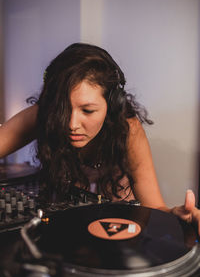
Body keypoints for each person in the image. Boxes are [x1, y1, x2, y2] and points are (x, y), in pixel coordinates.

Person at [0, 43, 200, 233]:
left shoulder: (127, 130)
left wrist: (175, 215)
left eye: (87, 110)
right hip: (63, 232)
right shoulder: (42, 114)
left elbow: (154, 207)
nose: (72, 124)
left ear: (111, 105)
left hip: (115, 235)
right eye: (61, 109)